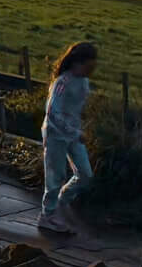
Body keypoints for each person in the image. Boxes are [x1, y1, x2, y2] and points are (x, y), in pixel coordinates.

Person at [38, 39, 99, 236]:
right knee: (55, 176)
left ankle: (62, 200)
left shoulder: (84, 82)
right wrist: (73, 131)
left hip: (74, 135)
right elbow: (52, 112)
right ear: (75, 62)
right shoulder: (62, 83)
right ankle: (47, 215)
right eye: (86, 66)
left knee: (85, 174)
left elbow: (80, 108)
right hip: (56, 134)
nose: (88, 72)